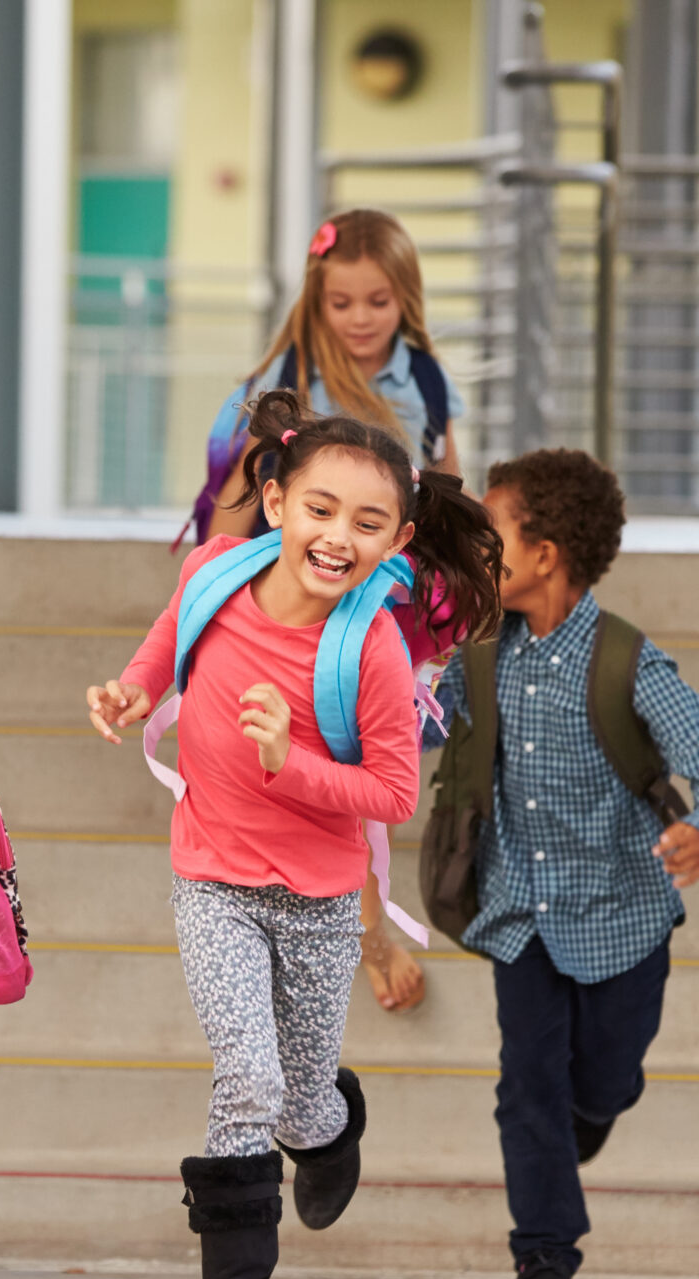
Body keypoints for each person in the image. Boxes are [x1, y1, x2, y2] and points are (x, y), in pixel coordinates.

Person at [87, 393, 504, 1279]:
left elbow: (393, 796)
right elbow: (165, 643)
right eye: (319, 509)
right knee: (245, 1079)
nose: (337, 537)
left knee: (299, 1095)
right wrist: (133, 691)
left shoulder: (370, 651)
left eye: (367, 524)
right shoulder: (209, 575)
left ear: (399, 541)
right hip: (212, 881)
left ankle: (328, 1128)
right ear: (274, 502)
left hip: (319, 899)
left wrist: (292, 762)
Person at [430, 451, 699, 1279]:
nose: (478, 553)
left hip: (622, 915)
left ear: (545, 553)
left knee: (602, 1082)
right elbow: (421, 724)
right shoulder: (480, 655)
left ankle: (590, 1114)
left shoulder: (628, 662)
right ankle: (543, 1251)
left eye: (491, 534)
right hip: (518, 910)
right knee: (527, 1077)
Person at [197, 209, 465, 1015]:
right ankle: (363, 926)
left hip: (390, 599)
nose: (358, 319)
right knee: (314, 755)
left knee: (369, 764)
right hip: (302, 603)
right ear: (316, 301)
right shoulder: (288, 380)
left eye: (377, 302)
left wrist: (456, 607)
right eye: (341, 302)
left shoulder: (424, 378)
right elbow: (240, 496)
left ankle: (356, 913)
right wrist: (201, 602)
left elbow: (448, 484)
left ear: (404, 299)